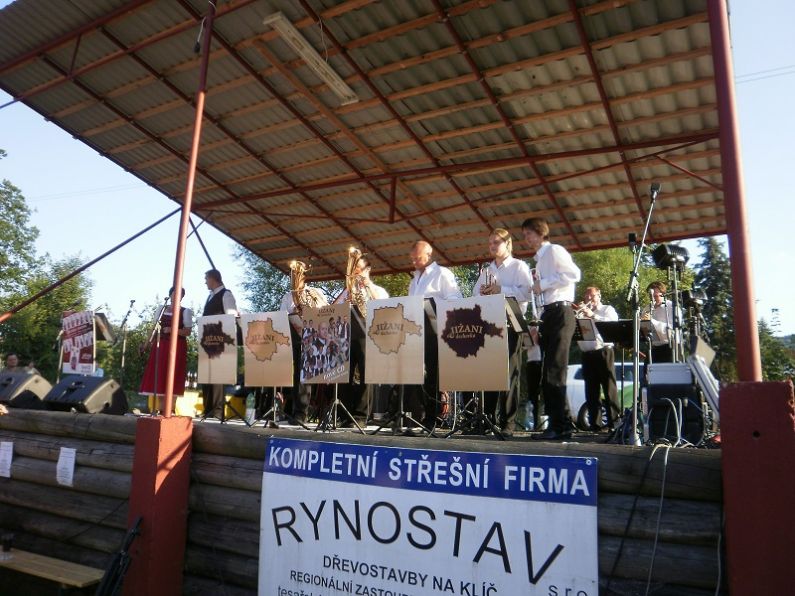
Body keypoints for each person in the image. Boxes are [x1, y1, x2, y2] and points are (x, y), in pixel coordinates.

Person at [522, 217, 581, 440]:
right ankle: (562, 423)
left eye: (528, 234)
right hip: (548, 314)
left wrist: (543, 284)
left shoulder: (554, 251)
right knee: (550, 370)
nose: (526, 239)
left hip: (560, 312)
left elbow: (574, 274)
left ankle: (558, 426)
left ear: (540, 232)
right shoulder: (539, 260)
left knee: (554, 370)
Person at [474, 228, 532, 435]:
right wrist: (482, 293)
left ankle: (508, 423)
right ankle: (488, 420)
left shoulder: (519, 266)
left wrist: (501, 290)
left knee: (509, 375)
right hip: (490, 325)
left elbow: (528, 293)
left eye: (496, 242)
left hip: (511, 324)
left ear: (508, 243)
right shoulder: (487, 271)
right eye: (490, 242)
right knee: (490, 374)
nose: (492, 246)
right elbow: (474, 295)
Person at [407, 241, 463, 429]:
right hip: (417, 332)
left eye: (418, 258)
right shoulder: (414, 281)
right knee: (417, 376)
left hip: (437, 332)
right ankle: (423, 414)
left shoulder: (442, 274)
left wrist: (435, 309)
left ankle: (434, 417)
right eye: (412, 259)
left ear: (429, 255)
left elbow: (455, 300)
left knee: (433, 375)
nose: (414, 262)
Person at [334, 255, 389, 422]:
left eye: (358, 269)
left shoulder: (378, 290)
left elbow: (384, 308)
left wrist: (368, 287)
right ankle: (343, 414)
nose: (355, 272)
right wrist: (346, 300)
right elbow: (333, 309)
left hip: (368, 335)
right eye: (353, 269)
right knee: (343, 375)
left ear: (368, 270)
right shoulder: (347, 290)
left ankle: (360, 415)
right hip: (346, 335)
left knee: (367, 375)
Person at [280, 274, 329, 423]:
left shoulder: (315, 292)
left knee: (308, 375)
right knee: (298, 375)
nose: (293, 278)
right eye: (292, 275)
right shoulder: (287, 296)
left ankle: (304, 412)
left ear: (304, 277)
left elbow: (326, 310)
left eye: (296, 274)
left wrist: (308, 309)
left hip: (314, 337)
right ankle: (299, 413)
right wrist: (294, 311)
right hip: (296, 337)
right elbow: (282, 317)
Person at [139, 287, 193, 413]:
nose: (177, 296)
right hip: (160, 344)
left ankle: (171, 408)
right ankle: (160, 408)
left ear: (182, 297)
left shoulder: (185, 311)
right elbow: (154, 328)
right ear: (170, 295)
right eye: (175, 293)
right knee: (160, 374)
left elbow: (187, 332)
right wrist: (146, 344)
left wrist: (172, 330)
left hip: (177, 346)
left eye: (180, 294)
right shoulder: (161, 309)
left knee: (174, 374)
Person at [575, 286, 619, 431]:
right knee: (591, 390)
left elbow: (612, 325)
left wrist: (593, 316)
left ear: (599, 296)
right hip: (587, 354)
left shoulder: (607, 309)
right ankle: (595, 424)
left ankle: (614, 423)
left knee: (609, 388)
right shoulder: (582, 313)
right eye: (587, 296)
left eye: (592, 296)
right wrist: (578, 317)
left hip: (603, 351)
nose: (589, 299)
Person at [202, 269, 238, 418]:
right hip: (207, 341)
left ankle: (217, 412)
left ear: (213, 279)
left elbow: (232, 317)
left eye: (206, 279)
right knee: (207, 375)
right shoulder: (209, 296)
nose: (205, 282)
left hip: (220, 341)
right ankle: (207, 409)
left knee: (217, 376)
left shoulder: (226, 294)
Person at [643, 281, 675, 363]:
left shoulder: (671, 307)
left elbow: (672, 331)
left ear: (662, 294)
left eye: (655, 296)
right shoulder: (647, 308)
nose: (653, 299)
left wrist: (652, 321)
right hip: (652, 348)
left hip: (668, 349)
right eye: (650, 296)